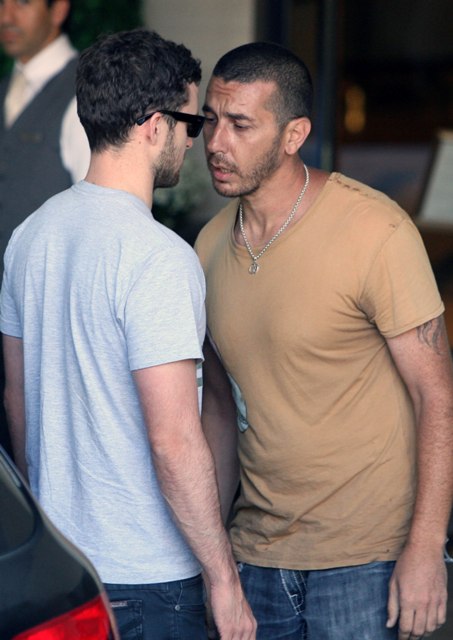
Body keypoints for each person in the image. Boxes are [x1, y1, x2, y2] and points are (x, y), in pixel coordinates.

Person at [0, 28, 255, 640]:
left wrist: (55, 514)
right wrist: (223, 579)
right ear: (153, 125)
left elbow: (16, 397)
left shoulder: (29, 237)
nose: (194, 141)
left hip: (64, 572)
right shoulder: (158, 257)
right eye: (190, 124)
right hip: (149, 579)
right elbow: (173, 440)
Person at [195, 41, 453, 640]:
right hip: (255, 555)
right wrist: (216, 562)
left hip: (367, 558)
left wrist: (425, 548)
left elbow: (436, 395)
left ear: (294, 134)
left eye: (240, 125)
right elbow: (219, 410)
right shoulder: (207, 247)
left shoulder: (375, 230)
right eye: (210, 120)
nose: (215, 143)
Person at [0, 0, 90, 456]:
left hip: (44, 326)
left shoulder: (80, 94)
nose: (5, 16)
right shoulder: (6, 88)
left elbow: (95, 215)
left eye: (22, 2)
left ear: (59, 10)